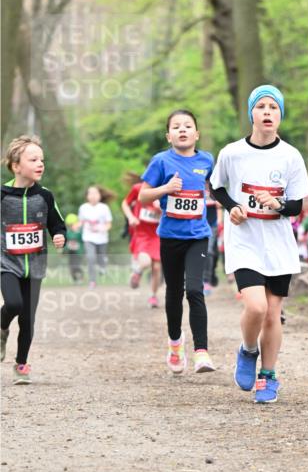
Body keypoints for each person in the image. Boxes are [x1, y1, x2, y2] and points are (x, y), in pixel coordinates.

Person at [211, 83, 308, 403]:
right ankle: (247, 350)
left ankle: (267, 377)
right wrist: (232, 207)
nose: (267, 112)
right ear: (251, 113)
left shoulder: (290, 156)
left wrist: (278, 204)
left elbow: (297, 206)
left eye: (273, 107)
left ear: (280, 115)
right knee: (256, 306)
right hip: (245, 240)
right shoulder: (232, 153)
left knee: (272, 313)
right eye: (261, 107)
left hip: (278, 244)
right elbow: (216, 187)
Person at [139, 109, 215, 374]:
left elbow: (216, 187)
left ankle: (201, 352)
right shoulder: (161, 161)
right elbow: (143, 196)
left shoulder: (207, 160)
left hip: (198, 236)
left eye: (187, 126)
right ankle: (175, 343)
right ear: (168, 136)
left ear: (197, 134)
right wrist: (166, 189)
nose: (182, 130)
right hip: (170, 237)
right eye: (176, 126)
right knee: (173, 293)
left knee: (194, 290)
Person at [1, 135, 66, 384]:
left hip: (35, 267)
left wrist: (59, 235)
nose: (40, 164)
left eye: (42, 159)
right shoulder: (2, 195)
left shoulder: (45, 196)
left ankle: (21, 364)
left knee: (28, 318)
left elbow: (57, 223)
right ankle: (2, 328)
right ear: (16, 166)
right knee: (14, 304)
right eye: (33, 159)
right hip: (7, 264)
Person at [121, 173, 162, 308]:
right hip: (141, 233)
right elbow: (125, 203)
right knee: (145, 262)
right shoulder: (138, 188)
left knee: (157, 268)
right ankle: (137, 271)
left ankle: (153, 296)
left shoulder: (166, 191)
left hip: (158, 234)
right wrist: (131, 217)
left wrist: (161, 210)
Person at [78, 184, 112, 287]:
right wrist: (76, 226)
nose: (93, 196)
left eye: (95, 193)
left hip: (102, 238)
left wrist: (104, 228)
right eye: (90, 193)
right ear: (87, 196)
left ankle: (103, 266)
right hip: (88, 238)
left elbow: (109, 224)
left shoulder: (104, 208)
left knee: (101, 258)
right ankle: (92, 281)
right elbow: (81, 221)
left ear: (100, 195)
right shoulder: (83, 208)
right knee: (91, 258)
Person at [64, 213, 84, 283]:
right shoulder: (68, 233)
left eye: (74, 224)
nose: (72, 226)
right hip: (71, 252)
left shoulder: (80, 232)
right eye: (71, 225)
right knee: (71, 266)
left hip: (78, 253)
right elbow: (66, 243)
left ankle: (81, 278)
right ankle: (75, 279)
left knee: (77, 265)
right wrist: (64, 251)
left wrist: (78, 230)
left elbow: (82, 240)